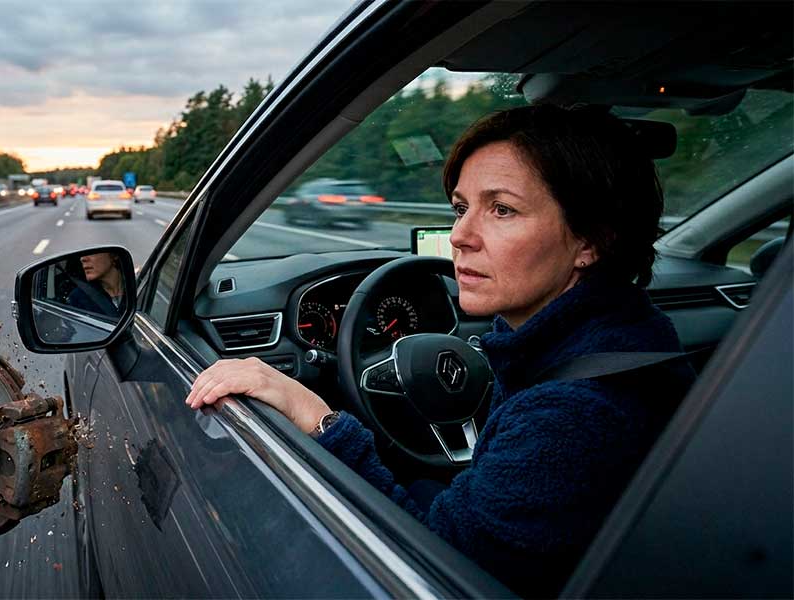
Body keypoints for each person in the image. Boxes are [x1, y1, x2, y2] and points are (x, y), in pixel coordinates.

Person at [185, 105, 695, 597]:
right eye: (460, 208)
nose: (459, 236)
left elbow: (430, 563)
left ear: (592, 241)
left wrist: (315, 414)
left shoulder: (570, 418)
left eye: (502, 209)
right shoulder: (630, 335)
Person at [67, 251, 126, 319]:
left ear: (114, 255)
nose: (82, 259)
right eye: (81, 253)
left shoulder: (137, 287)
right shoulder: (78, 298)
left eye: (92, 251)